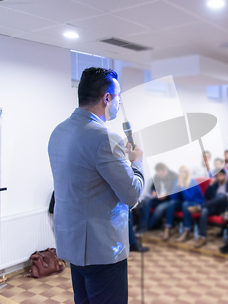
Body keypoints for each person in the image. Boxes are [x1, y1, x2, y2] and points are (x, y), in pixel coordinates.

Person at [48, 67, 146, 303]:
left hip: (73, 243)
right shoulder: (105, 137)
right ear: (107, 98)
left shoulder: (58, 131)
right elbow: (132, 195)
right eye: (118, 96)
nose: (119, 102)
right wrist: (137, 162)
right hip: (103, 249)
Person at [187, 169, 228, 248]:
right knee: (205, 210)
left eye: (220, 175)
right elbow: (206, 196)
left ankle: (199, 207)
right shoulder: (215, 184)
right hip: (214, 207)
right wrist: (210, 185)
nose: (218, 178)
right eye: (217, 176)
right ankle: (202, 237)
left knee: (222, 196)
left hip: (225, 208)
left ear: (225, 176)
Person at [160, 166, 204, 242]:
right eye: (180, 171)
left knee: (185, 204)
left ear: (187, 173)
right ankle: (167, 228)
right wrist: (177, 186)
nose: (181, 173)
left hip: (196, 203)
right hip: (184, 202)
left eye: (183, 172)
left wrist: (182, 186)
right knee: (171, 203)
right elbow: (173, 198)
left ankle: (186, 231)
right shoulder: (177, 181)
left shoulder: (192, 182)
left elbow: (189, 198)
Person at [137, 163, 177, 235]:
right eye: (157, 172)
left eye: (160, 172)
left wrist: (165, 195)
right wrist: (155, 193)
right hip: (157, 199)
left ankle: (147, 227)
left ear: (165, 171)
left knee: (159, 209)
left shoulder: (172, 179)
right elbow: (153, 191)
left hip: (168, 201)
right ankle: (143, 226)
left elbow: (173, 194)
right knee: (146, 201)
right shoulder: (156, 178)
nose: (158, 174)